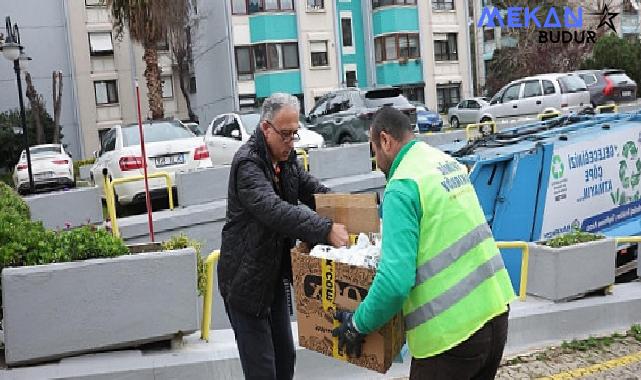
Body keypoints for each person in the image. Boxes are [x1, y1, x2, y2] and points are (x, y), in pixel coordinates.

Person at [333, 106, 515, 379]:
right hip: (494, 314)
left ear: (385, 140)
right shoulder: (444, 163)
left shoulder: (402, 185)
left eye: (374, 150)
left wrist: (356, 325)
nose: (376, 160)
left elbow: (395, 283)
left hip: (450, 338)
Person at [218, 93, 349, 380]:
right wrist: (325, 229)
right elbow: (275, 210)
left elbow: (311, 190)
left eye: (295, 133)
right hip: (244, 283)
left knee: (284, 362)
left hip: (272, 278)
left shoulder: (285, 158)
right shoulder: (247, 165)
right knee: (263, 371)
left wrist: (348, 210)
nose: (291, 141)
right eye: (285, 134)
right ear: (266, 128)